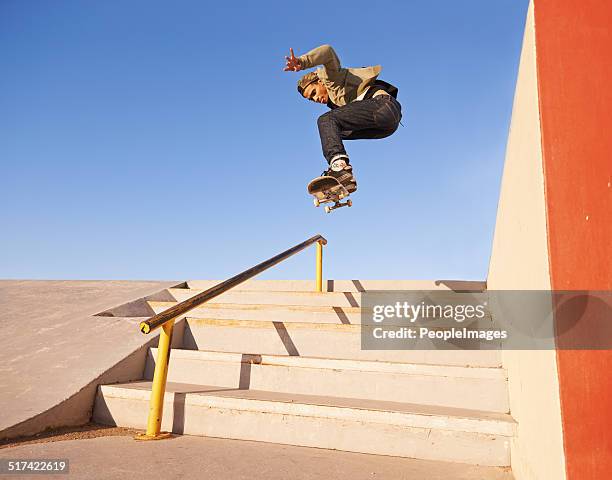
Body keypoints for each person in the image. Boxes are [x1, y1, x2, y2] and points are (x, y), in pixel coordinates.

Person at [284, 44, 402, 193]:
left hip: (383, 107)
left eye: (314, 93)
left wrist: (302, 62)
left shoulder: (331, 80)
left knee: (325, 121)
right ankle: (344, 179)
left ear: (320, 82)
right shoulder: (335, 104)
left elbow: (327, 51)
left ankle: (340, 168)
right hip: (386, 128)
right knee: (332, 132)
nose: (316, 99)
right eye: (311, 99)